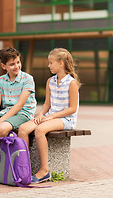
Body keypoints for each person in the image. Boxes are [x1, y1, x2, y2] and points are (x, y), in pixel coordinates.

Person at [18, 48, 80, 183]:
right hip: (50, 116)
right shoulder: (50, 81)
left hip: (66, 119)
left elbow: (72, 109)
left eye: (51, 62)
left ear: (61, 63)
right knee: (23, 129)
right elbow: (47, 104)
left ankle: (44, 170)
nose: (49, 65)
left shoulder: (71, 83)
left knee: (40, 130)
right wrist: (40, 114)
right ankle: (24, 168)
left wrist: (51, 117)